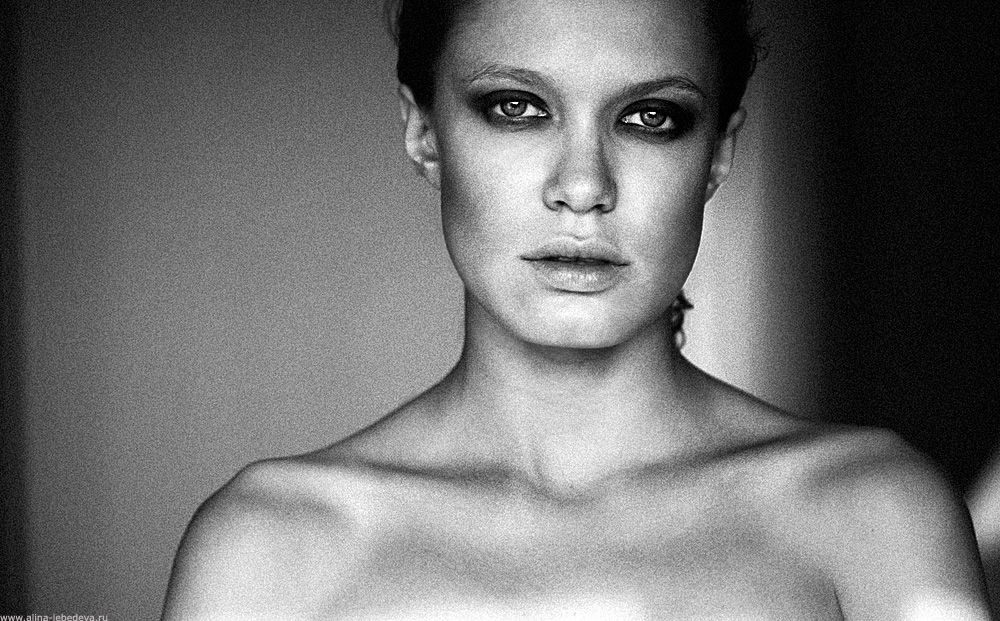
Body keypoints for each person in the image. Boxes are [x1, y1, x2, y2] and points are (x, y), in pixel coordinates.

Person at [162, 0, 991, 618]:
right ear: (423, 132)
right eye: (517, 107)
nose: (584, 186)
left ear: (718, 153)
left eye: (650, 117)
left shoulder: (872, 513)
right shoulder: (270, 546)